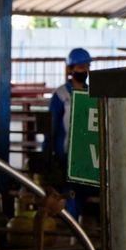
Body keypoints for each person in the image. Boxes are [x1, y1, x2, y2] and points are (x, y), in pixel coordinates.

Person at [44, 47, 92, 217]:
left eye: (86, 67)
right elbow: (52, 124)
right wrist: (48, 150)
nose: (84, 71)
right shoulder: (61, 94)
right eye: (79, 67)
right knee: (68, 189)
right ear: (70, 69)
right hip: (65, 151)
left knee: (84, 189)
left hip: (86, 152)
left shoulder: (92, 93)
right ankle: (71, 223)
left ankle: (80, 221)